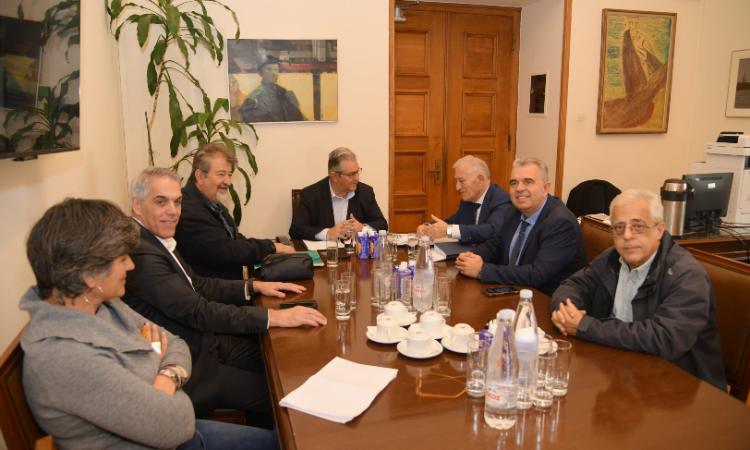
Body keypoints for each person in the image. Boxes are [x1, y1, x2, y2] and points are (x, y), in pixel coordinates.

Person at [21, 198, 277, 449]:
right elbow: (178, 425)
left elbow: (176, 343)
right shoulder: (67, 358)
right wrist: (156, 360)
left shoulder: (99, 303)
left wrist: (164, 377)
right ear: (89, 274)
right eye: (122, 259)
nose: (131, 265)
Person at [123, 167, 327, 425]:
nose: (173, 211)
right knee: (280, 391)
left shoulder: (154, 239)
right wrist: (275, 317)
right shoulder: (142, 253)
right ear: (137, 205)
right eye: (161, 202)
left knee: (285, 360)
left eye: (177, 202)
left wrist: (253, 287)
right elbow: (199, 311)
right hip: (192, 363)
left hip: (206, 341)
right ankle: (265, 438)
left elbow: (198, 284)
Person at [550, 189, 726, 389]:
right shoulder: (612, 258)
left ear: (659, 230)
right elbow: (573, 285)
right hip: (620, 370)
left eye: (638, 226)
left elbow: (664, 339)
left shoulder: (687, 276)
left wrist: (586, 326)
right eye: (619, 227)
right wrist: (565, 310)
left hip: (679, 387)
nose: (627, 235)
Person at [455, 157, 585, 295]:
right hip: (514, 290)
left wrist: (482, 270)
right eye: (514, 183)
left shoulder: (560, 222)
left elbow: (537, 275)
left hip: (546, 298)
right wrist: (470, 257)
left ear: (546, 188)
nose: (519, 188)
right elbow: (495, 245)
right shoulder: (514, 211)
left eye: (528, 182)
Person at [176, 142, 294, 280]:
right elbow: (227, 250)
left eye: (229, 174)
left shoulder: (212, 203)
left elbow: (236, 239)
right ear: (200, 176)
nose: (228, 181)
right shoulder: (187, 210)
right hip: (212, 290)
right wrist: (271, 247)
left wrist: (270, 248)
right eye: (221, 174)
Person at [289, 147, 388, 240]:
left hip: (355, 252)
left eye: (357, 172)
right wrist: (328, 233)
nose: (357, 178)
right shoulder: (311, 194)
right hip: (325, 251)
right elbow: (296, 230)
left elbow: (382, 224)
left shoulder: (365, 192)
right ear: (334, 176)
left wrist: (363, 228)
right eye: (351, 174)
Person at [417, 155, 511, 244]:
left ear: (480, 180)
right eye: (456, 181)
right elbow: (452, 222)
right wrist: (427, 227)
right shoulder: (469, 199)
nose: (457, 187)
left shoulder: (501, 199)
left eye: (461, 181)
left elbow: (491, 230)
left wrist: (448, 230)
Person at [239, 56, 305, 123]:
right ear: (260, 73)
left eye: (276, 70)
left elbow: (298, 117)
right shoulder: (254, 97)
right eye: (269, 69)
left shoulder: (284, 92)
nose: (274, 73)